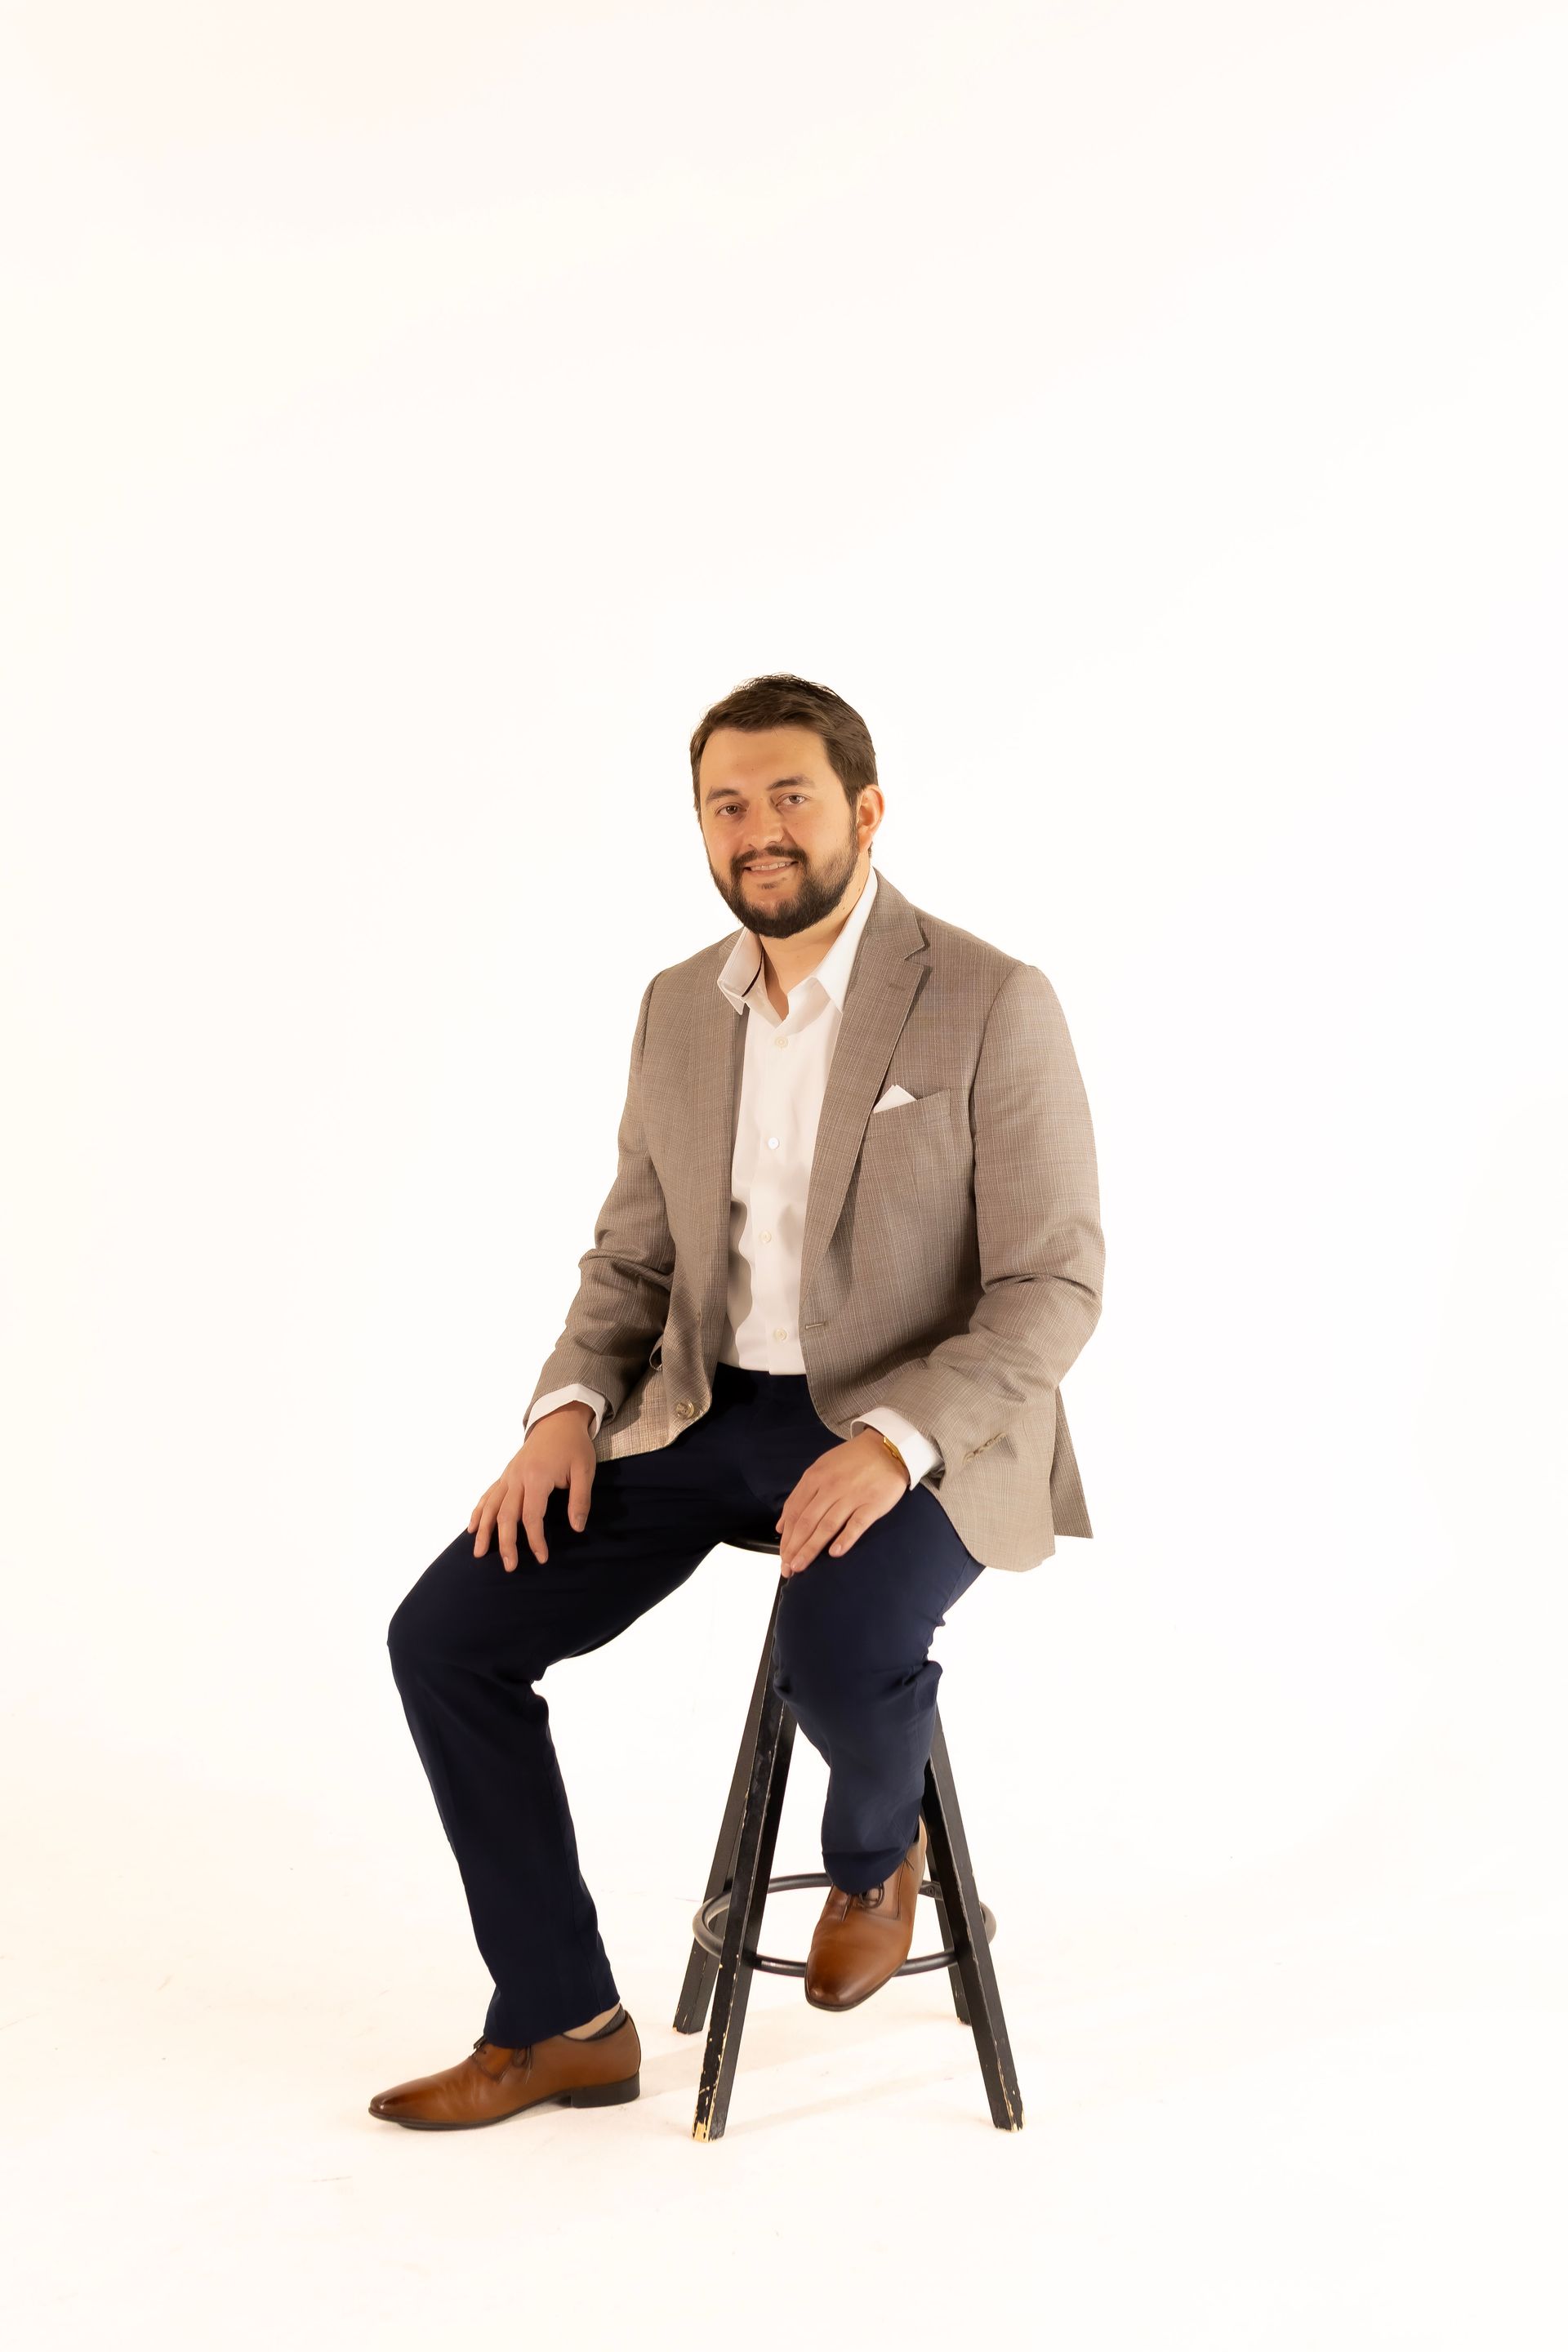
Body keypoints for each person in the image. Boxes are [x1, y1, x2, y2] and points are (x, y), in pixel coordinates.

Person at [368, 673, 1104, 2129]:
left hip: (925, 1428)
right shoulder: (675, 1009)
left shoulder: (990, 998)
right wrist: (565, 1410)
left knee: (829, 1646)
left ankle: (873, 1853)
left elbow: (1054, 1287)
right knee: (448, 1635)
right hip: (707, 1414)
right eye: (727, 804)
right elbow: (632, 1254)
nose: (757, 830)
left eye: (790, 798)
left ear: (864, 811)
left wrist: (893, 1444)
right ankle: (564, 2017)